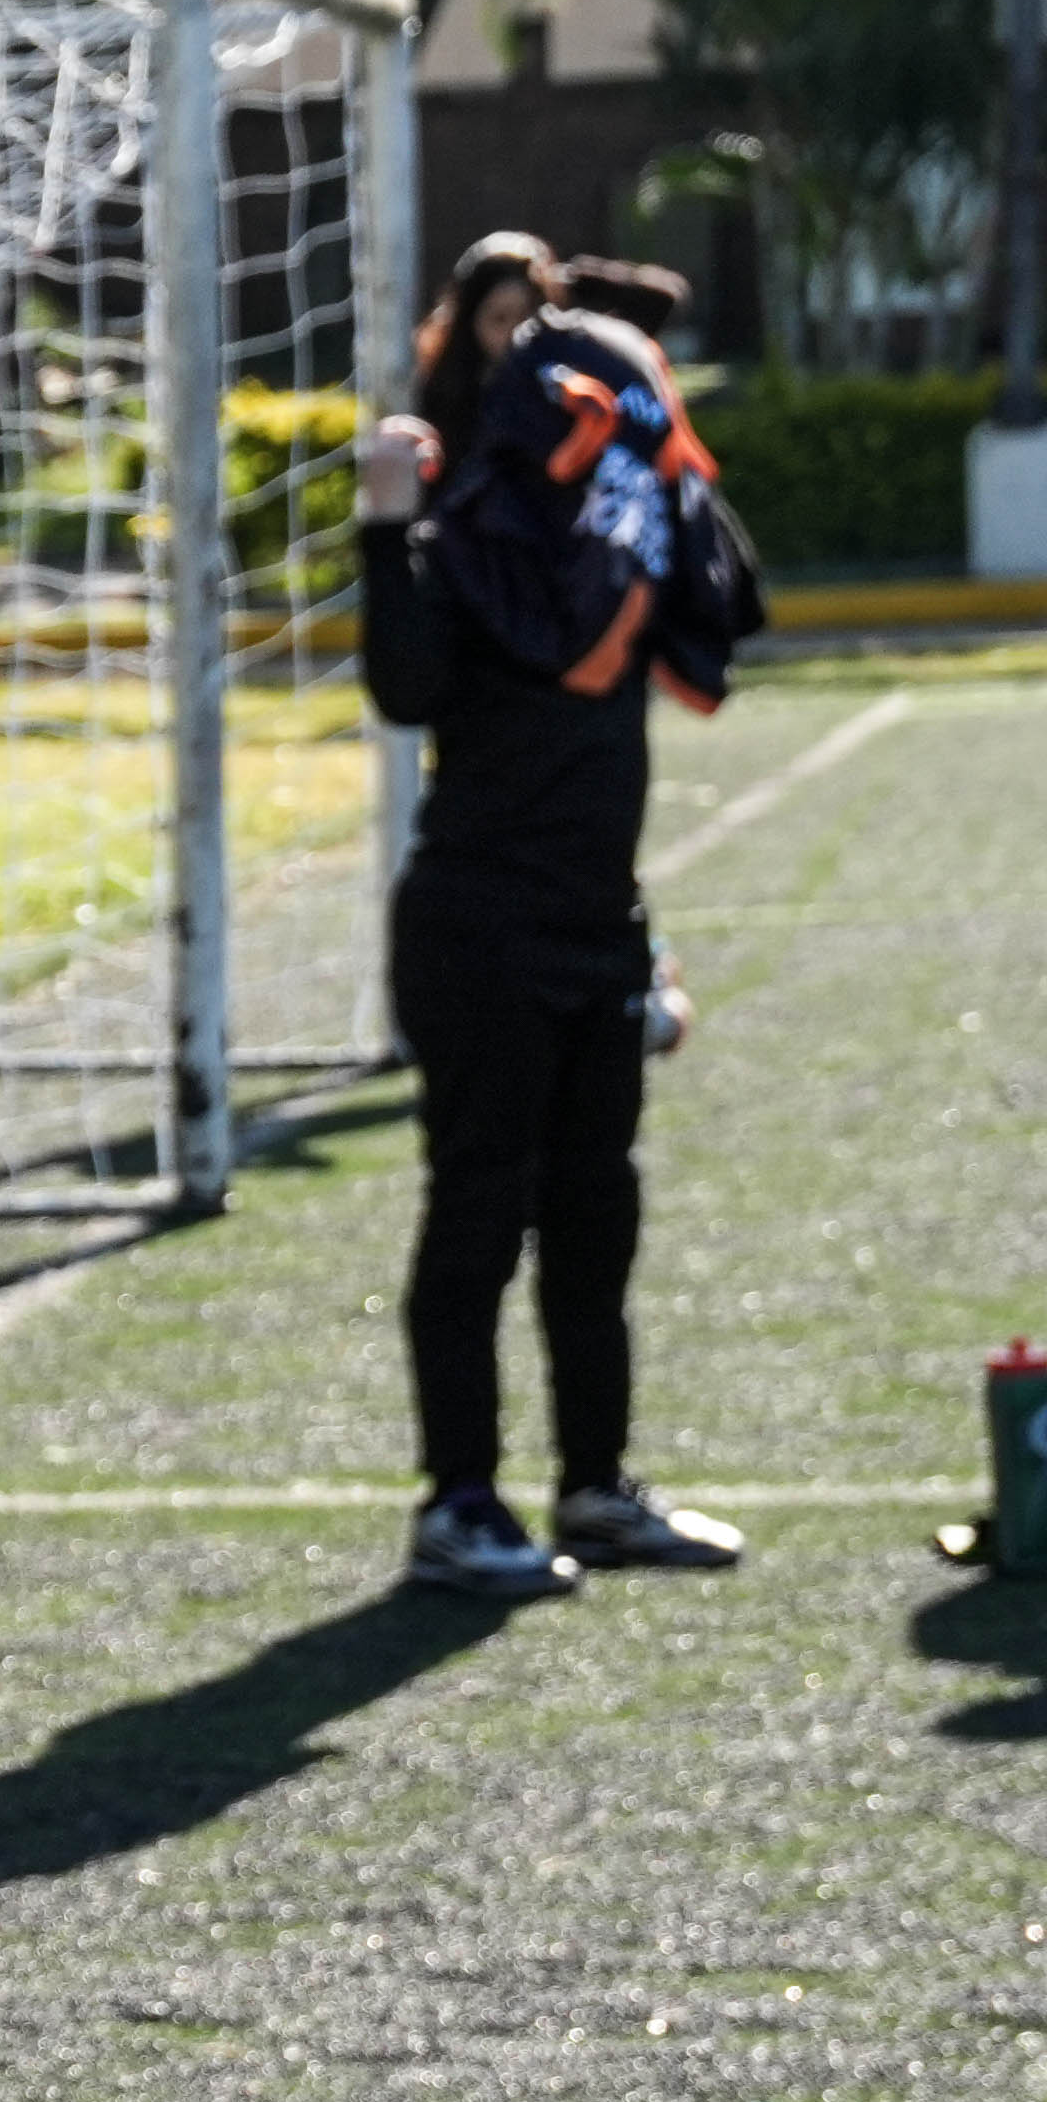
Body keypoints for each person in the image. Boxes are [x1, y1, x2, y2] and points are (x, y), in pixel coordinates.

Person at [361, 230, 740, 1601]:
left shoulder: (622, 539)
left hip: (593, 921)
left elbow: (709, 633)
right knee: (479, 1217)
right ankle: (459, 1505)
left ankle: (597, 1483)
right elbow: (407, 694)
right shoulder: (464, 530)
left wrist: (647, 948)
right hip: (478, 927)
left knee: (599, 1219)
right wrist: (381, 521)